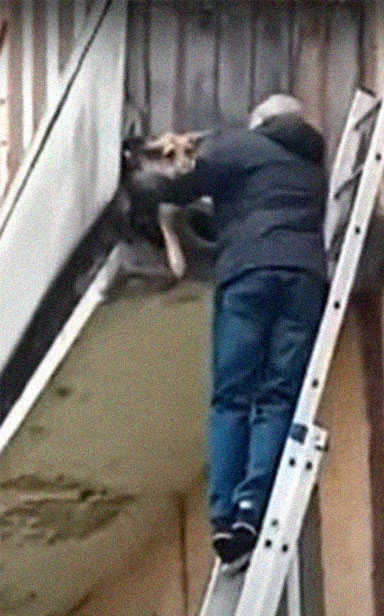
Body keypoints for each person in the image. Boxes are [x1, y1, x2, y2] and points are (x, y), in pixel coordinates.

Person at [133, 95, 329, 563]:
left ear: (261, 121)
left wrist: (139, 176)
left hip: (249, 274)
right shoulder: (312, 168)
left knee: (233, 396)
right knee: (278, 396)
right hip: (304, 279)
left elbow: (179, 186)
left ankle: (223, 515)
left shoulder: (241, 146)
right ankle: (251, 506)